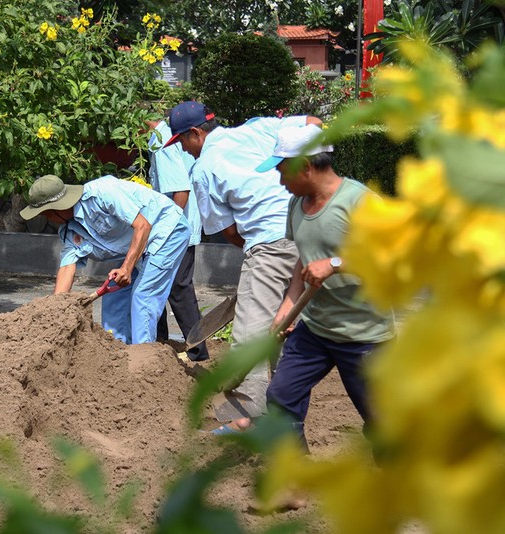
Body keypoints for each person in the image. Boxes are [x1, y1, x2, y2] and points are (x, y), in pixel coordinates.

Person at [211, 124, 396, 446]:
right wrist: (287, 308)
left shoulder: (360, 202)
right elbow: (302, 260)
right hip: (316, 330)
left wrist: (336, 264)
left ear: (305, 167)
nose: (280, 182)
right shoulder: (296, 205)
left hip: (363, 334)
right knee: (281, 398)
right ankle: (293, 479)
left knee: (383, 420)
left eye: (283, 173)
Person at [165, 101, 322, 417]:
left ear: (195, 133)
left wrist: (260, 259)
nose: (183, 150)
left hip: (269, 242)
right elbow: (314, 122)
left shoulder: (202, 170)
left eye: (181, 140)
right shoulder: (258, 128)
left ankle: (248, 416)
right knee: (283, 323)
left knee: (249, 334)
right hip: (309, 230)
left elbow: (231, 232)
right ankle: (285, 408)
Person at [19, 174, 191, 345]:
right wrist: (55, 309)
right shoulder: (70, 231)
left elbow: (143, 225)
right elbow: (66, 268)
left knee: (143, 296)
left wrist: (126, 268)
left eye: (45, 214)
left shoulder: (103, 193)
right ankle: (117, 354)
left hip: (166, 230)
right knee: (113, 297)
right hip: (138, 247)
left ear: (54, 209)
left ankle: (142, 359)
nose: (45, 218)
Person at [147, 116, 209, 361]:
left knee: (177, 287)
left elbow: (180, 190)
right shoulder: (167, 135)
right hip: (181, 223)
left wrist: (168, 231)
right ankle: (159, 342)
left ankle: (197, 350)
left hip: (175, 227)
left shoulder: (160, 140)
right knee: (160, 282)